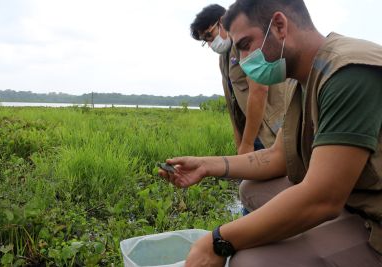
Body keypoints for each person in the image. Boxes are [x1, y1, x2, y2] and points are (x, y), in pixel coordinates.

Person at [159, 0, 382, 266]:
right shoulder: (302, 80)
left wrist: (217, 241)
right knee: (251, 189)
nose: (242, 62)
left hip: (372, 218)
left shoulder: (348, 72)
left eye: (245, 46)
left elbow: (322, 198)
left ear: (279, 26)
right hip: (352, 200)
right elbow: (278, 156)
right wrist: (206, 166)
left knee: (249, 261)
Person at [190, 4, 294, 154]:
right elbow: (232, 103)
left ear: (222, 21)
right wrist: (240, 143)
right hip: (251, 133)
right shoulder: (223, 58)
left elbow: (259, 90)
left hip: (272, 132)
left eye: (209, 35)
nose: (211, 44)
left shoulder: (247, 43)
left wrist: (247, 143)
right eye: (205, 41)